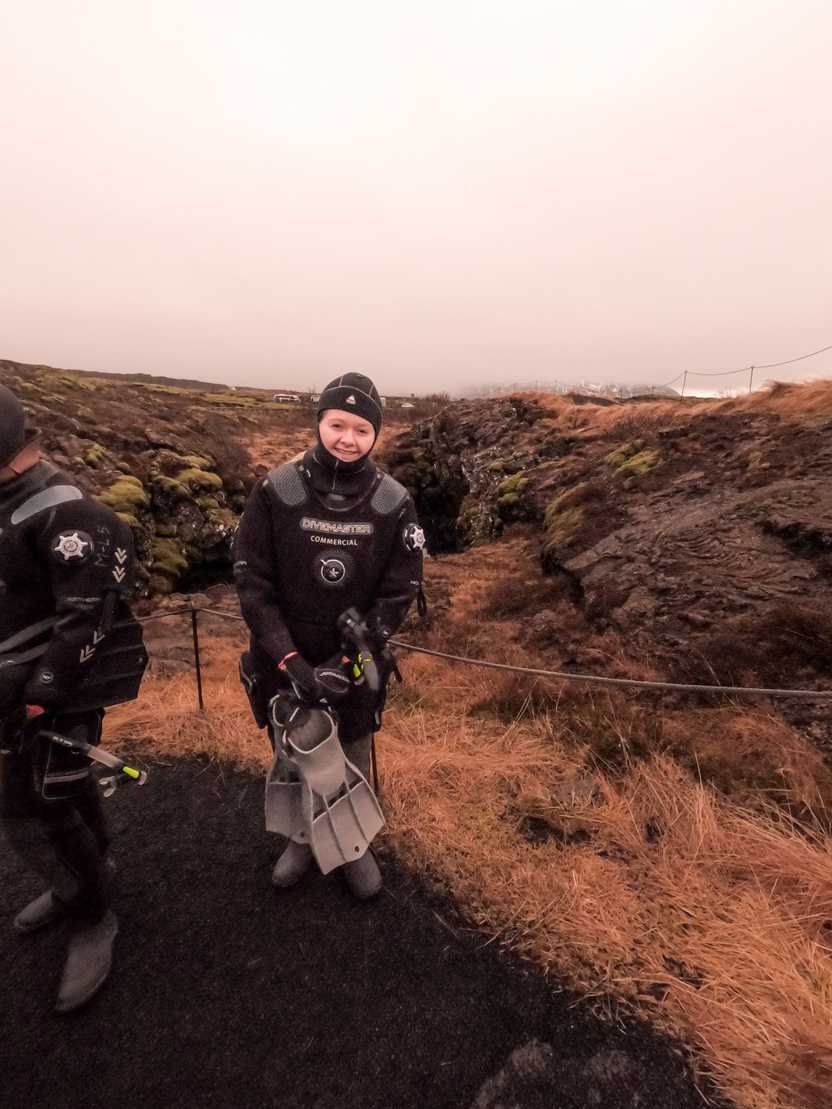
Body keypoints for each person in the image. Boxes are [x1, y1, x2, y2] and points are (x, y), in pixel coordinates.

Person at [234, 372, 425, 898]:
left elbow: (401, 589)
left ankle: (353, 847)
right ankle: (300, 839)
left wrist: (353, 655)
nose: (348, 439)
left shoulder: (393, 501)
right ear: (319, 421)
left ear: (376, 435)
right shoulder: (277, 490)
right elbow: (252, 583)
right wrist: (290, 662)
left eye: (362, 429)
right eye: (337, 424)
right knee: (292, 751)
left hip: (355, 657)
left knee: (354, 752)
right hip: (284, 654)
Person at [0, 384, 145, 1012]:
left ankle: (92, 915)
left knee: (31, 811)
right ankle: (91, 874)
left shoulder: (66, 513)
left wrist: (41, 695)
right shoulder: (8, 498)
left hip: (54, 691)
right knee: (61, 787)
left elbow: (88, 615)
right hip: (14, 683)